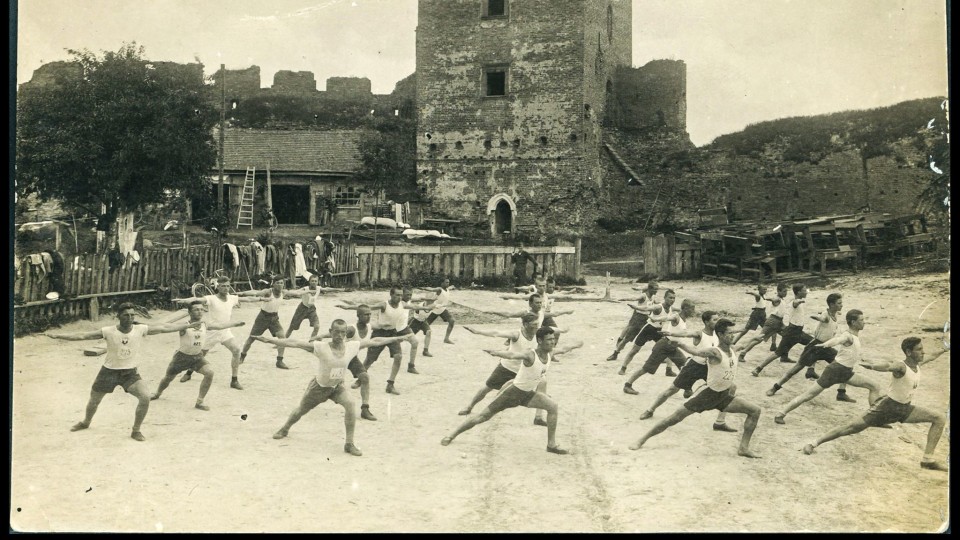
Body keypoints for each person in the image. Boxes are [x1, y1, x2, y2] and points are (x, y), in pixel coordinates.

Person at [44, 302, 202, 441]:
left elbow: (163, 328)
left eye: (132, 315)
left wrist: (187, 326)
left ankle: (136, 430)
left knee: (145, 397)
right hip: (108, 372)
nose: (129, 318)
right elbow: (82, 335)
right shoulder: (108, 331)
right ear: (118, 316)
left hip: (130, 373)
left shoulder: (141, 329)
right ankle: (86, 422)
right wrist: (58, 335)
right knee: (94, 401)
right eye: (126, 315)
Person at [256, 319, 409, 456]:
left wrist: (398, 338)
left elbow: (375, 341)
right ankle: (285, 428)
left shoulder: (351, 347)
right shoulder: (321, 347)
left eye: (343, 332)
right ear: (330, 332)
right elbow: (295, 343)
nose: (340, 335)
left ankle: (349, 444)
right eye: (336, 332)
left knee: (350, 404)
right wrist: (269, 340)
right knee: (301, 410)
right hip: (319, 388)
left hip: (337, 388)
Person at [802, 337, 949, 472]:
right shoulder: (901, 366)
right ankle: (814, 443)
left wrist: (944, 348)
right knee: (851, 428)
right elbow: (887, 366)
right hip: (886, 407)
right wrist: (873, 366)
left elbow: (932, 356)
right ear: (909, 352)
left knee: (939, 418)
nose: (923, 352)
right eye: (919, 349)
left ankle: (927, 460)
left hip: (905, 408)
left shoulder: (918, 363)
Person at [629, 319, 762, 458]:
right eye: (730, 333)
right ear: (721, 335)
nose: (733, 335)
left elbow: (743, 344)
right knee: (674, 419)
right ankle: (642, 439)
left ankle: (743, 448)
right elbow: (696, 352)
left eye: (733, 332)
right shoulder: (714, 352)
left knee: (755, 411)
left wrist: (755, 338)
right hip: (706, 395)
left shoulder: (732, 350)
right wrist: (680, 344)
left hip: (722, 396)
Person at [441, 326, 583, 454]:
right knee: (482, 417)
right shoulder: (530, 354)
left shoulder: (550, 353)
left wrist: (578, 344)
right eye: (549, 340)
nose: (552, 342)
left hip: (527, 394)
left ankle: (551, 445)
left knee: (552, 407)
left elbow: (565, 349)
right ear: (539, 341)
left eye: (553, 339)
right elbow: (513, 355)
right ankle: (451, 434)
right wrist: (497, 353)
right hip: (511, 393)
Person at [774, 309, 884, 424]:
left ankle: (874, 419)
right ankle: (781, 413)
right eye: (861, 320)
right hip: (834, 371)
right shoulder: (848, 336)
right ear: (853, 322)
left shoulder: (854, 336)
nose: (864, 322)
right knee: (808, 395)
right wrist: (825, 345)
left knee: (874, 386)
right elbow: (838, 340)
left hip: (846, 373)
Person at [634, 310, 737, 433]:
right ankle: (650, 409)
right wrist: (672, 334)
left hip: (709, 368)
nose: (717, 321)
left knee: (731, 387)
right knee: (671, 390)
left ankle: (720, 422)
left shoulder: (719, 334)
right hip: (694, 366)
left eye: (717, 319)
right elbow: (686, 333)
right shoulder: (700, 333)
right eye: (714, 320)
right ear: (706, 322)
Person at [458, 313, 572, 419]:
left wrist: (562, 330)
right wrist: (478, 331)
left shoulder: (539, 334)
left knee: (542, 384)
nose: (537, 327)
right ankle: (469, 406)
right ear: (525, 324)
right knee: (487, 387)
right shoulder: (516, 334)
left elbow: (553, 330)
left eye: (537, 324)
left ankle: (538, 417)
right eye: (534, 324)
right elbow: (496, 333)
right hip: (508, 368)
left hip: (525, 370)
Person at [149, 300, 246, 410]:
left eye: (201, 309)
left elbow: (220, 325)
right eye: (196, 310)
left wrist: (235, 324)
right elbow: (165, 327)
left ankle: (199, 402)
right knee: (167, 378)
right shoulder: (184, 325)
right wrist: (146, 327)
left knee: (209, 373)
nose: (199, 312)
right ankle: (157, 393)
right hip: (181, 357)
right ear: (189, 312)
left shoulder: (204, 324)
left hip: (197, 357)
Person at [175, 276, 263, 390]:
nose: (226, 288)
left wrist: (262, 299)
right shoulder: (211, 298)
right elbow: (198, 299)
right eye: (223, 286)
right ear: (218, 286)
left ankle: (234, 380)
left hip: (225, 332)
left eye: (227, 286)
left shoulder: (231, 298)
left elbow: (248, 299)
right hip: (212, 332)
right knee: (200, 355)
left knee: (236, 350)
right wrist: (186, 300)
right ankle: (189, 372)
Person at [341, 287, 431, 394]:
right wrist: (348, 307)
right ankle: (360, 379)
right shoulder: (384, 305)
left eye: (400, 295)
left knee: (398, 356)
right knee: (370, 359)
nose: (399, 297)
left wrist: (433, 306)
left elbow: (416, 306)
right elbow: (369, 307)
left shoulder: (402, 304)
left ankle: (390, 384)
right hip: (379, 333)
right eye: (397, 295)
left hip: (392, 333)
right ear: (391, 295)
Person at [766, 293, 852, 396]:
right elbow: (818, 316)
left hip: (826, 347)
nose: (842, 305)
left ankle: (841, 393)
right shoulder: (826, 315)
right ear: (832, 304)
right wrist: (819, 318)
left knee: (844, 364)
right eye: (839, 303)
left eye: (841, 302)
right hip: (815, 347)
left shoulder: (835, 313)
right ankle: (775, 387)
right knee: (795, 369)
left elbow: (830, 313)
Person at [312, 305, 379, 421]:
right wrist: (320, 336)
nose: (368, 317)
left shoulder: (369, 326)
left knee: (365, 377)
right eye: (366, 314)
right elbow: (337, 333)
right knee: (327, 382)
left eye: (370, 314)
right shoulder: (352, 329)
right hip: (339, 355)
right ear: (358, 316)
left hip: (351, 357)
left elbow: (381, 326)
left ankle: (365, 409)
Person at [622, 298, 696, 393]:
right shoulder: (676, 317)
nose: (693, 311)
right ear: (685, 308)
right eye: (692, 309)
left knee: (684, 366)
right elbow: (666, 318)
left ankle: (687, 389)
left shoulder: (683, 318)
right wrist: (655, 318)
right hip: (663, 346)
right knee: (646, 368)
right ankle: (627, 385)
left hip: (673, 347)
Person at [751, 284, 810, 376]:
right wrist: (799, 301)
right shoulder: (795, 302)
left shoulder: (795, 301)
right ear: (798, 292)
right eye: (804, 290)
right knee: (777, 353)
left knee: (814, 344)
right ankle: (758, 368)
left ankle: (810, 370)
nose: (806, 292)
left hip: (799, 332)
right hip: (792, 332)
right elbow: (795, 303)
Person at [617, 289, 678, 376]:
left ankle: (669, 370)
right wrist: (636, 307)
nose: (672, 300)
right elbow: (647, 308)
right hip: (648, 329)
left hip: (658, 331)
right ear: (665, 298)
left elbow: (681, 310)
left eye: (673, 298)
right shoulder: (659, 307)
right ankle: (623, 368)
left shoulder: (672, 309)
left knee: (668, 348)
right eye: (670, 298)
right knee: (635, 350)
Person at [238, 275, 293, 369]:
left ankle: (279, 361)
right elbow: (256, 292)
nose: (280, 285)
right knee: (251, 339)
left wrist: (311, 290)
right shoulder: (268, 291)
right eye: (278, 283)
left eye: (281, 283)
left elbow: (297, 292)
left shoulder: (284, 292)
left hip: (274, 318)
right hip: (263, 317)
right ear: (273, 284)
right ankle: (242, 356)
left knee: (282, 338)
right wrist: (242, 293)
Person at [606, 280, 659, 362]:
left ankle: (662, 356)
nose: (656, 291)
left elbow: (657, 304)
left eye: (657, 289)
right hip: (638, 319)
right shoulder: (643, 296)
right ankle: (615, 353)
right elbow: (634, 298)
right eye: (655, 289)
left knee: (656, 336)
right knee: (627, 339)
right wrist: (623, 299)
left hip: (647, 319)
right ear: (650, 289)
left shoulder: (654, 297)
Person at [736, 282, 789, 363]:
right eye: (784, 291)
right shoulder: (777, 299)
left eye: (786, 291)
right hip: (772, 322)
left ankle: (783, 355)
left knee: (787, 335)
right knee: (759, 339)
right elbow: (774, 300)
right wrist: (770, 299)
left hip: (779, 322)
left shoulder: (781, 299)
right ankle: (742, 353)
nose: (786, 293)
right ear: (778, 291)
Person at [283, 274, 342, 342]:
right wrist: (287, 292)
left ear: (317, 282)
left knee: (317, 326)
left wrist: (339, 289)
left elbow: (328, 289)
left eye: (315, 281)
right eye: (312, 281)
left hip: (311, 309)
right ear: (309, 282)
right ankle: (282, 342)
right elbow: (296, 292)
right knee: (291, 327)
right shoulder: (305, 288)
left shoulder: (319, 288)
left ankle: (311, 342)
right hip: (302, 308)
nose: (314, 282)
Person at [418, 278, 458, 345]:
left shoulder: (447, 289)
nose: (448, 284)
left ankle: (446, 338)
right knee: (424, 324)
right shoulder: (439, 289)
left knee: (452, 321)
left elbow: (434, 298)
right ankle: (411, 332)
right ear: (442, 283)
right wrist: (423, 288)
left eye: (448, 282)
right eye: (446, 282)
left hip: (443, 309)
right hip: (436, 309)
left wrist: (452, 287)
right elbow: (431, 289)